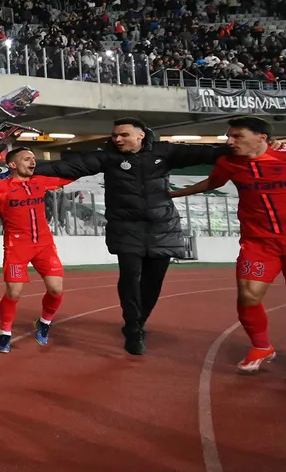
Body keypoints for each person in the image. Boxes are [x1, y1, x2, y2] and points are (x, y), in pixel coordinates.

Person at [31, 118, 224, 355]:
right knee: (130, 278)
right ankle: (133, 329)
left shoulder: (164, 151)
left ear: (141, 135)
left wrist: (242, 150)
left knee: (153, 282)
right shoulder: (108, 157)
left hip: (162, 227)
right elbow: (69, 167)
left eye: (123, 135)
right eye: (115, 135)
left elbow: (206, 154)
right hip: (125, 227)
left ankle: (139, 322)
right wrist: (30, 168)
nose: (118, 139)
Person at [170, 116, 286, 382]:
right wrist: (175, 194)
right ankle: (261, 347)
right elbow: (213, 183)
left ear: (261, 138)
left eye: (237, 136)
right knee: (248, 295)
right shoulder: (229, 163)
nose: (230, 141)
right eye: (229, 136)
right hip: (258, 242)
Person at [0, 147, 76, 353]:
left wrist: (97, 165)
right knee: (14, 292)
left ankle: (44, 322)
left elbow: (70, 176)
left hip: (45, 245)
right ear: (12, 165)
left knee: (56, 289)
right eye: (27, 159)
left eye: (33, 158)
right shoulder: (2, 187)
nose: (33, 162)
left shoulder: (40, 181)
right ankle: (5, 333)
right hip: (17, 247)